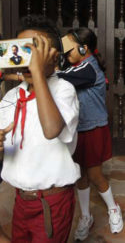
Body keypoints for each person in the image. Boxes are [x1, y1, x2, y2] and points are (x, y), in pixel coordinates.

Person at [0, 15, 80, 243]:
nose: (28, 60)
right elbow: (9, 149)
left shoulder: (64, 90)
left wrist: (38, 72)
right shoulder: (12, 96)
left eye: (35, 53)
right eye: (22, 52)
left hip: (52, 202)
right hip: (21, 200)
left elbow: (51, 129)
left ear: (54, 59)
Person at [56, 27, 123, 240]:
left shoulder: (88, 68)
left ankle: (113, 208)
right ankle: (86, 216)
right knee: (80, 176)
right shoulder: (76, 65)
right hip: (77, 129)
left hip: (93, 129)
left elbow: (58, 77)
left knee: (94, 175)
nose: (65, 53)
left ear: (84, 48)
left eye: (69, 48)